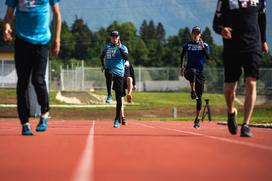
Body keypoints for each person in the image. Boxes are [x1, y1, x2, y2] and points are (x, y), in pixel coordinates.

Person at [3, 0, 61, 135]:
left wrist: (57, 39)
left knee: (37, 79)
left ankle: (45, 112)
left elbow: (57, 15)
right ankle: (25, 123)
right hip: (22, 41)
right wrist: (6, 27)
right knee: (22, 82)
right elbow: (8, 15)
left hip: (42, 41)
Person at [213, 0, 269, 137]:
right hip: (232, 48)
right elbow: (216, 24)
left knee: (251, 82)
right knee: (229, 90)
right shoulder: (224, 1)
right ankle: (231, 112)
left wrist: (263, 41)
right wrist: (222, 30)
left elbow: (262, 19)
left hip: (253, 47)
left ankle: (246, 124)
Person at [180, 26, 209, 129]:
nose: (196, 35)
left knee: (199, 98)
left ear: (200, 35)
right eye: (194, 33)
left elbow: (208, 57)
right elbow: (182, 55)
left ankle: (197, 120)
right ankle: (192, 91)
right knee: (192, 70)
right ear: (192, 34)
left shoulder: (204, 45)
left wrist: (203, 47)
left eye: (198, 33)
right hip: (189, 71)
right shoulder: (188, 45)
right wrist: (182, 67)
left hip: (200, 73)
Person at [101, 30, 128, 128]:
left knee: (119, 98)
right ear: (110, 38)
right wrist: (103, 65)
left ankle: (117, 119)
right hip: (110, 70)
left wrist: (119, 47)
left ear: (118, 38)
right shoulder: (107, 47)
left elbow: (126, 57)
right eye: (112, 36)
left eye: (116, 37)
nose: (114, 38)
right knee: (108, 72)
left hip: (120, 74)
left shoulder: (123, 47)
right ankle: (109, 95)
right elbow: (101, 56)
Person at [120, 60, 137, 125]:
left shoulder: (128, 62)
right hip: (120, 81)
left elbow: (132, 73)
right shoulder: (116, 61)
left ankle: (129, 94)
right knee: (121, 101)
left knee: (130, 78)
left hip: (127, 81)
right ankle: (123, 117)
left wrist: (134, 84)